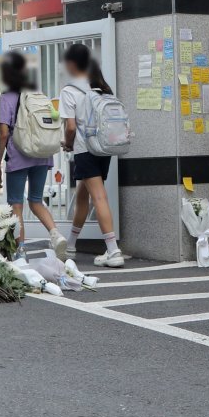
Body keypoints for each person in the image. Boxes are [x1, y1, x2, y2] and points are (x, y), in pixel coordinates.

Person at [59, 43, 125, 268]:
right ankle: (70, 245)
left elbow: (70, 127)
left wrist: (67, 145)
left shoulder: (69, 91)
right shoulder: (101, 86)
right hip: (103, 148)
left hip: (84, 149)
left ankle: (113, 251)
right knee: (82, 194)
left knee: (98, 197)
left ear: (71, 64)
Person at [0, 50, 65, 257]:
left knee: (16, 203)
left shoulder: (6, 98)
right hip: (43, 154)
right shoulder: (38, 95)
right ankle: (56, 235)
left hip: (19, 156)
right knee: (36, 200)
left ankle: (21, 249)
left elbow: (3, 133)